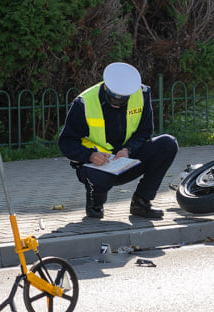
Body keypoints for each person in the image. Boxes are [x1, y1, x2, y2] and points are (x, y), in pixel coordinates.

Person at [58, 63, 179, 220]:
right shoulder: (84, 102)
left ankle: (141, 202)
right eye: (113, 100)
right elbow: (66, 142)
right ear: (106, 87)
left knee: (168, 144)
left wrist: (128, 150)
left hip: (126, 159)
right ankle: (95, 203)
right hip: (95, 165)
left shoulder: (141, 94)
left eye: (122, 101)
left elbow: (145, 131)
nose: (116, 104)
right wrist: (90, 156)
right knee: (99, 178)